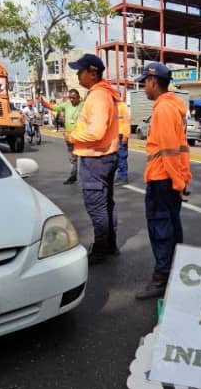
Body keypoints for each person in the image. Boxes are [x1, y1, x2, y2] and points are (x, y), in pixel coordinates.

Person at [134, 63, 192, 300]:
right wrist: (182, 179)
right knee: (171, 228)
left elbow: (169, 151)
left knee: (161, 230)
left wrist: (179, 182)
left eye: (144, 82)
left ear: (153, 82)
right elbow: (180, 149)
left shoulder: (164, 110)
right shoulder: (171, 107)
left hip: (162, 180)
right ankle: (174, 273)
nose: (142, 87)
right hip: (168, 180)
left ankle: (162, 278)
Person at [64, 54, 121, 265]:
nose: (77, 74)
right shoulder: (103, 94)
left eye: (80, 71)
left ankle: (101, 250)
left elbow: (96, 132)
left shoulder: (98, 97)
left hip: (96, 158)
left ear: (93, 72)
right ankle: (110, 245)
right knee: (106, 204)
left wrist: (72, 136)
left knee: (97, 206)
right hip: (105, 156)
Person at [42, 89, 84, 184]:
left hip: (81, 135)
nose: (72, 100)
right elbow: (55, 108)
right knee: (72, 158)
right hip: (69, 136)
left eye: (74, 98)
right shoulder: (67, 104)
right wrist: (45, 104)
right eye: (70, 98)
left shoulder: (83, 104)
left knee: (84, 157)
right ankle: (73, 176)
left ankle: (86, 177)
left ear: (78, 97)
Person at [115, 96, 131, 186]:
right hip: (114, 136)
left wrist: (126, 135)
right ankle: (119, 176)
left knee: (122, 157)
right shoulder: (113, 106)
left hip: (121, 135)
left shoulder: (122, 106)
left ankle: (123, 178)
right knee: (116, 158)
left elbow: (127, 122)